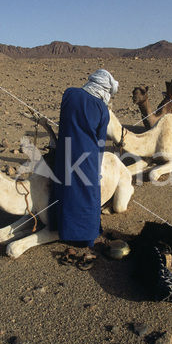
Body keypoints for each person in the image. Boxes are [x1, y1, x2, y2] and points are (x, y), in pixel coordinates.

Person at [49, 69, 119, 267]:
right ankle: (87, 237)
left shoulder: (70, 93)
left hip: (65, 151)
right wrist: (96, 167)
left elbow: (62, 122)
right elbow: (99, 142)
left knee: (64, 188)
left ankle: (62, 229)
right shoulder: (102, 109)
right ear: (105, 89)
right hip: (87, 156)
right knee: (89, 193)